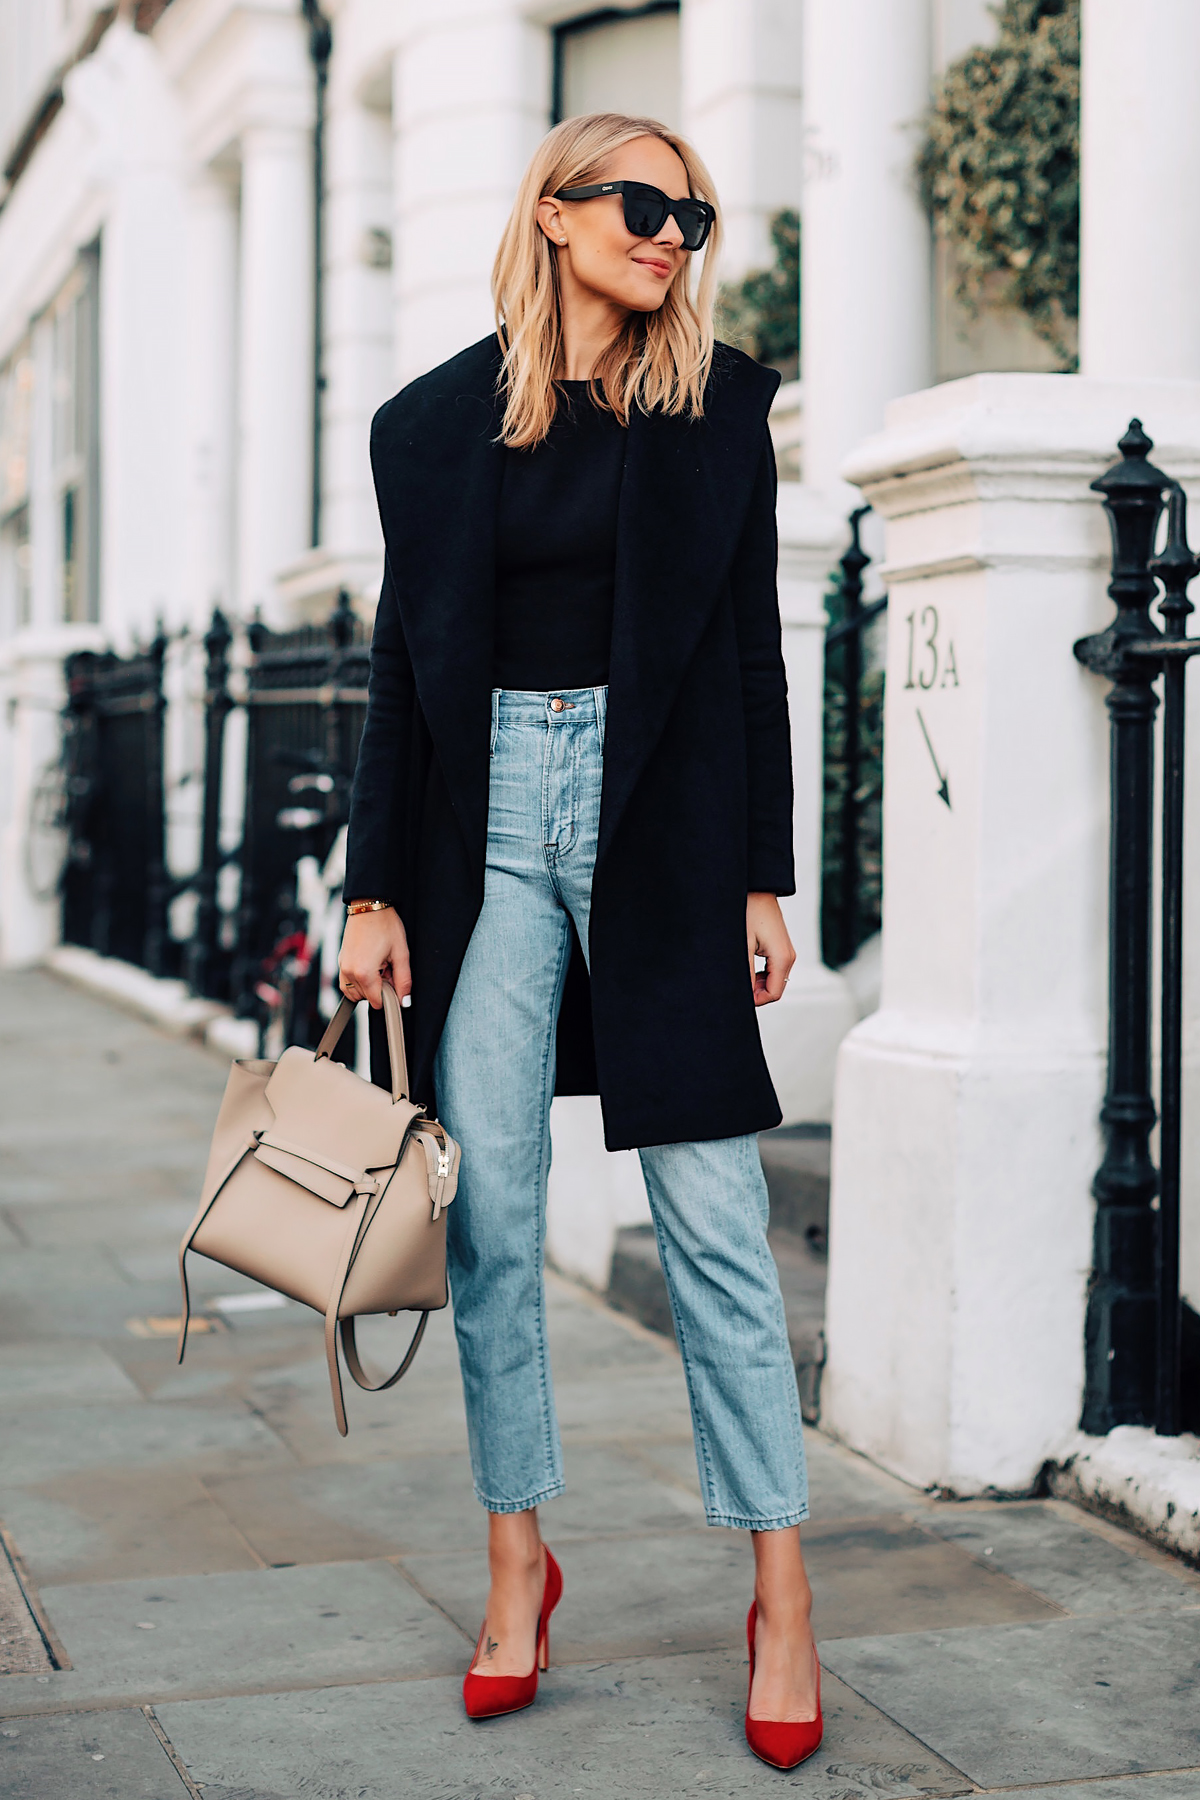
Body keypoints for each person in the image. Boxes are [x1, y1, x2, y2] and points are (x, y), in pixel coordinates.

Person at [338, 111, 820, 1770]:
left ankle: (781, 1590)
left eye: (693, 212)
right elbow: (404, 673)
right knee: (493, 1220)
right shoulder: (432, 431)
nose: (671, 233)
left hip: (660, 828)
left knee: (715, 1221)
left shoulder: (716, 414)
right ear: (552, 213)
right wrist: (370, 893)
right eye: (640, 203)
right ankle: (518, 1564)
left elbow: (753, 654)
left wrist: (762, 871)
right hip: (485, 838)